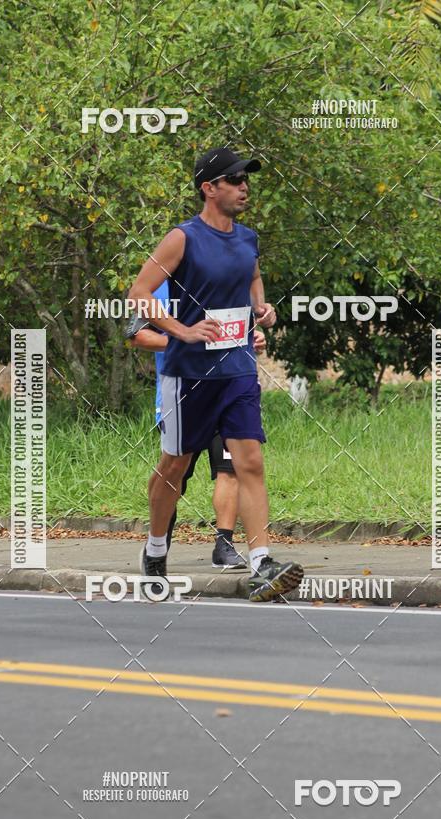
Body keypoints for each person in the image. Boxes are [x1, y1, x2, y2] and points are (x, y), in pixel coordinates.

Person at [127, 146, 304, 602]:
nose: (245, 187)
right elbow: (139, 294)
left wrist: (262, 312)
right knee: (175, 466)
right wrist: (181, 330)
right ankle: (155, 548)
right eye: (235, 179)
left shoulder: (248, 239)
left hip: (238, 368)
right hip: (189, 375)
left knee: (249, 462)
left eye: (246, 179)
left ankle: (262, 563)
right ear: (209, 188)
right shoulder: (182, 238)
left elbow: (252, 281)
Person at [128, 279, 267, 568]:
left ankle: (224, 546)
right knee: (175, 472)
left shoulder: (229, 287)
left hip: (228, 389)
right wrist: (186, 340)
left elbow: (244, 331)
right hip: (183, 392)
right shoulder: (160, 289)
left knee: (232, 469)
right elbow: (137, 336)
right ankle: (158, 544)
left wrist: (254, 339)